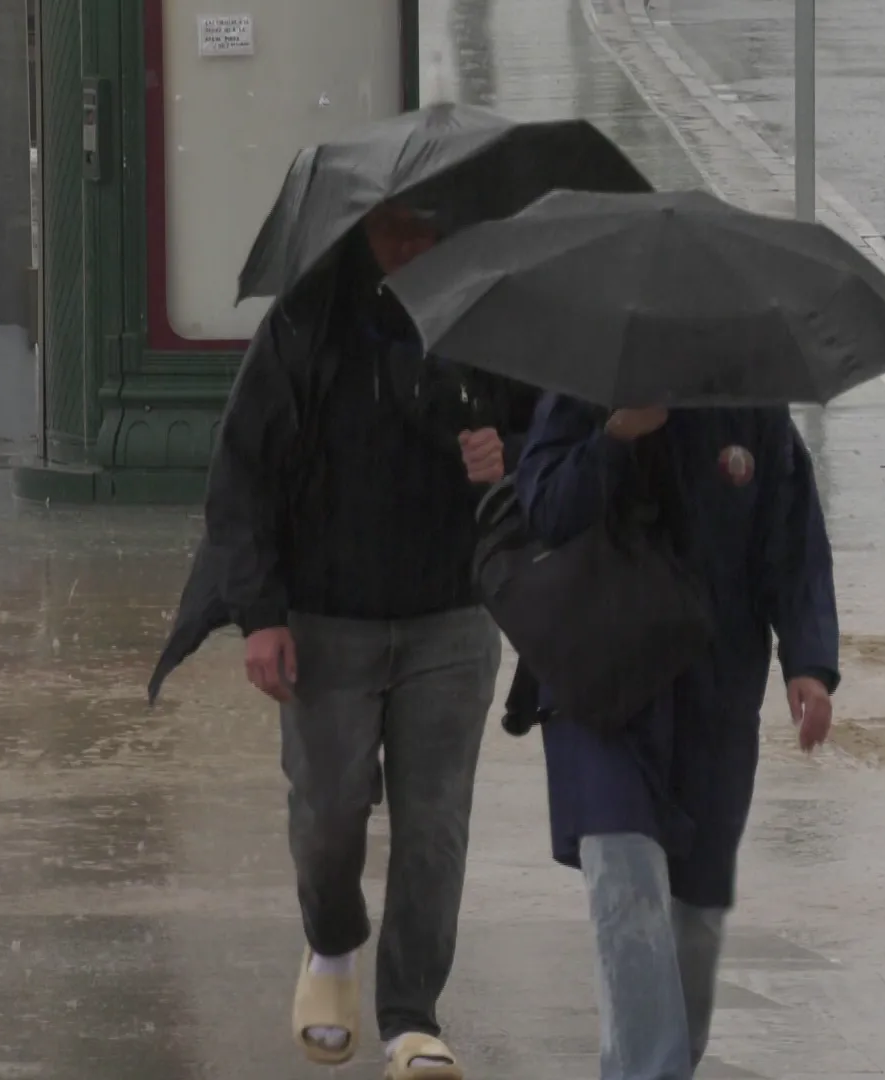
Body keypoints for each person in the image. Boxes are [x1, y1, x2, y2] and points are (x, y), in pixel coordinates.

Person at [151, 203, 535, 1079]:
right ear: (359, 228)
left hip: (452, 615)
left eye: (430, 226)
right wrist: (261, 615)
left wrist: (506, 451)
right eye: (394, 226)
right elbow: (242, 475)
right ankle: (330, 946)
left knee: (435, 828)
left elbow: (552, 437)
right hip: (326, 621)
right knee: (328, 816)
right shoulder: (305, 326)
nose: (412, 243)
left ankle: (411, 1019)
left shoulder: (486, 321)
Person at [515, 397, 839, 1080]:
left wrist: (808, 662)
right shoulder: (581, 388)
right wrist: (614, 440)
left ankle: (666, 1066)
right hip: (601, 688)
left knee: (697, 917)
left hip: (715, 694)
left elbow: (792, 545)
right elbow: (545, 512)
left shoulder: (752, 408)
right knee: (625, 886)